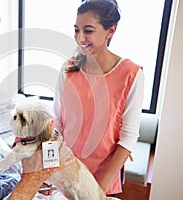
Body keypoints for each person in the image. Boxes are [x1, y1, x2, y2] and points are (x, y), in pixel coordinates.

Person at [54, 0, 144, 196]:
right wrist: (51, 171)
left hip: (103, 177)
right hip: (66, 171)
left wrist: (97, 190)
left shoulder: (131, 74)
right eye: (76, 29)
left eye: (88, 30)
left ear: (110, 30)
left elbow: (127, 139)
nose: (80, 37)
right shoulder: (68, 69)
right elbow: (58, 125)